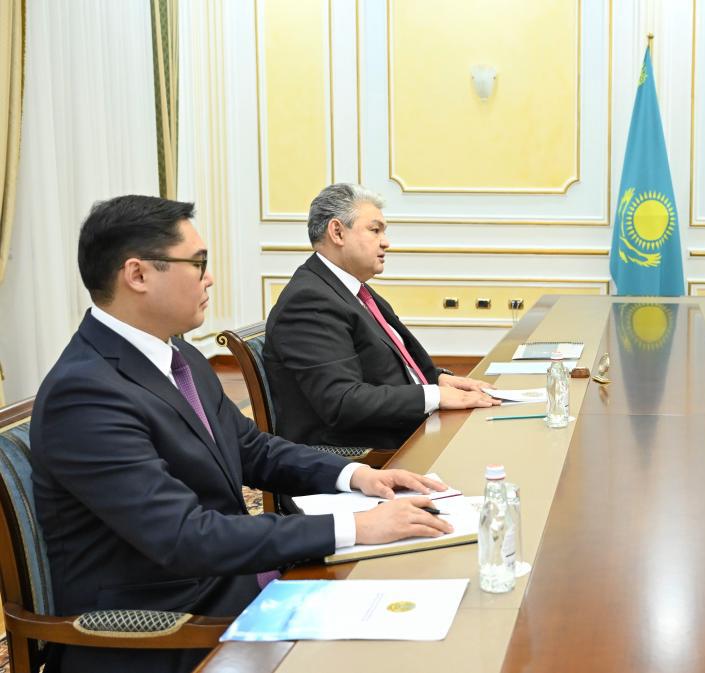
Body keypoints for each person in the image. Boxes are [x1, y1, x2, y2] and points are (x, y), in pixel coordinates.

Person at [32, 195, 457, 673]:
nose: (210, 277)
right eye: (198, 263)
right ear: (138, 275)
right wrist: (356, 527)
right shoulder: (85, 394)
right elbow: (184, 536)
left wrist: (357, 476)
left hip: (232, 582)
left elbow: (252, 448)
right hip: (171, 627)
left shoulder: (179, 356)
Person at [264, 183, 496, 452]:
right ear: (337, 232)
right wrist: (435, 395)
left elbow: (381, 365)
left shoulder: (348, 288)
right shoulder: (309, 302)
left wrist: (437, 379)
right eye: (375, 230)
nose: (386, 242)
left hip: (401, 430)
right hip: (365, 453)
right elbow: (343, 402)